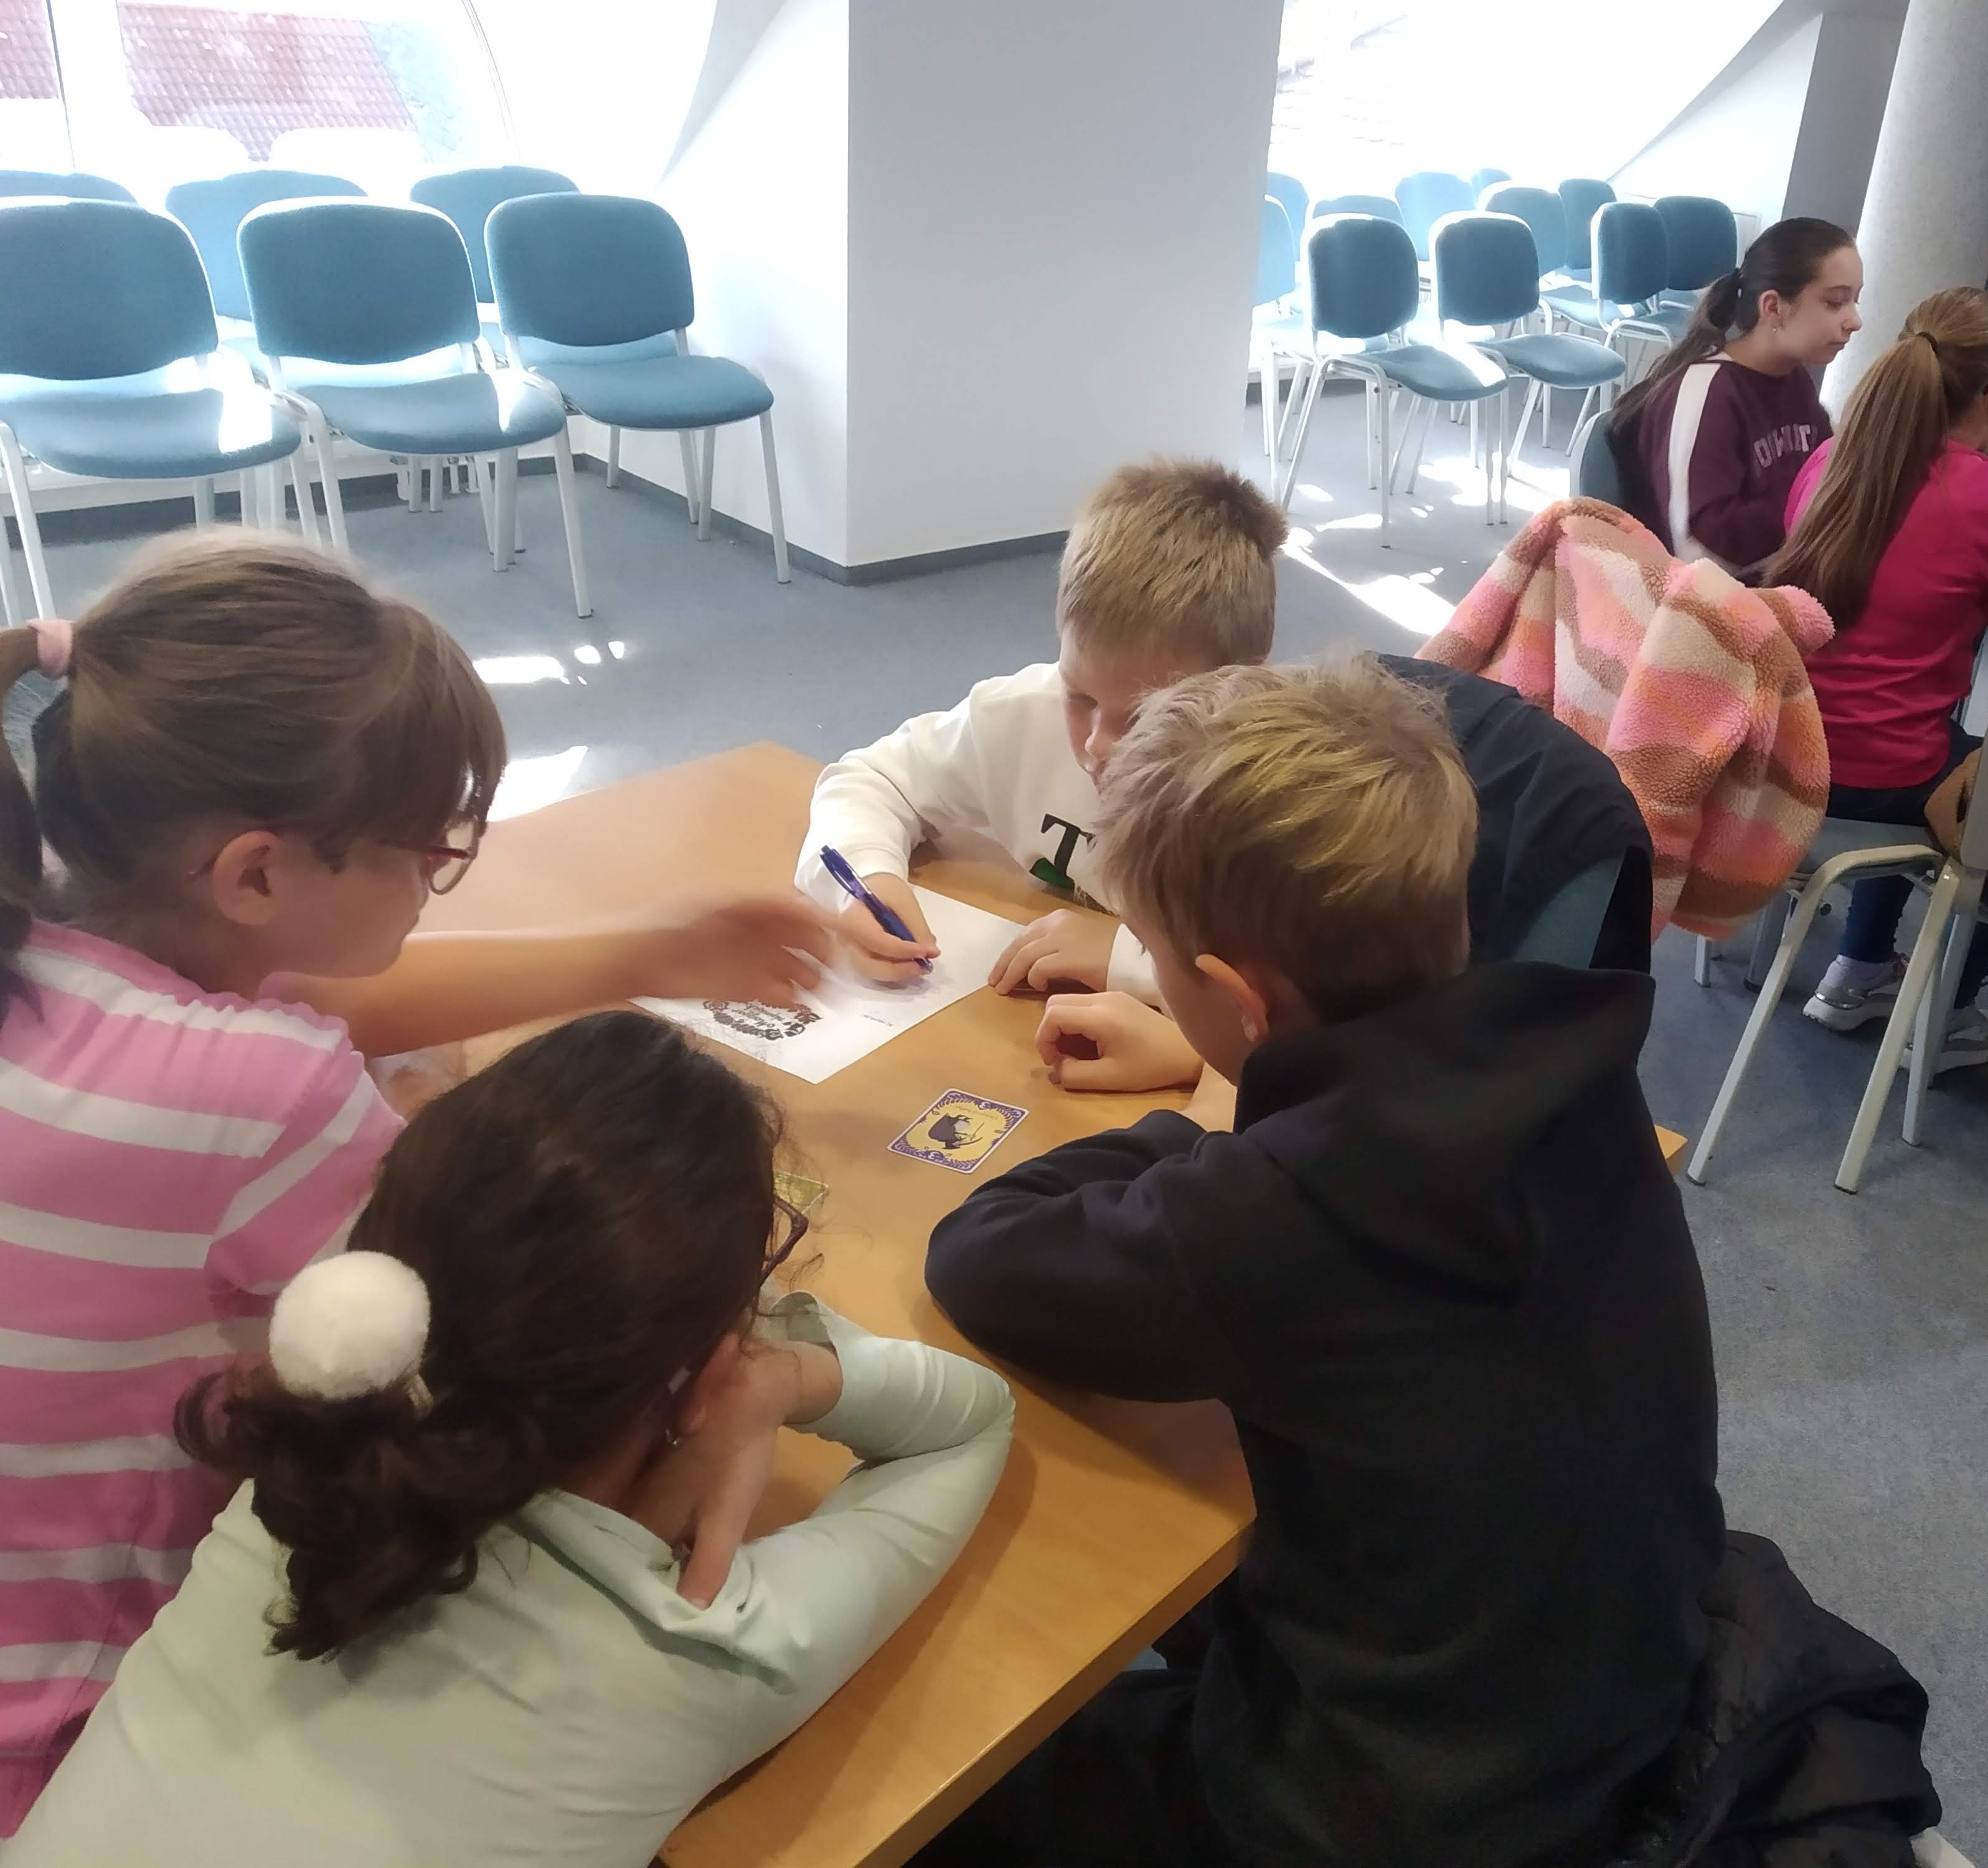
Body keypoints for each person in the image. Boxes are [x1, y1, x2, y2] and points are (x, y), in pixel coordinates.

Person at [0, 535, 836, 1834]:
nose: (439, 876)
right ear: (257, 871)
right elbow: (512, 1265)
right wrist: (421, 1104)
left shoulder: (48, 923)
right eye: (427, 849)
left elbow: (304, 994)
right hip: (67, 1738)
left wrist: (647, 951)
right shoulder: (267, 1095)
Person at [915, 659, 1723, 1868]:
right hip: (1610, 1711)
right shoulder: (1572, 1063)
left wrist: (1197, 1120)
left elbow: (979, 1254)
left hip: (1381, 1819)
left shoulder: (1280, 1212)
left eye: (1152, 952)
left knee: (931, 1792)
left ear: (1238, 998)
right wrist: (1244, 1093)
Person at [9, 1011, 1014, 1866]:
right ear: (708, 1371)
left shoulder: (295, 1490)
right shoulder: (694, 1644)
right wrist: (781, 1379)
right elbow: (971, 1422)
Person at [795, 456, 1288, 1087]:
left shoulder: (1282, 793)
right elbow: (870, 780)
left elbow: (1318, 1003)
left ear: (1246, 688)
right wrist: (865, 881)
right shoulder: (1022, 716)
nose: (1099, 745)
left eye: (1146, 715)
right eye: (1079, 696)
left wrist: (1125, 958)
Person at [1765, 287, 1988, 1069]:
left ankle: (1859, 968)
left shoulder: (1828, 461)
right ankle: (1946, 1014)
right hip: (1877, 776)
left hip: (1781, 758)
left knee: (1935, 741)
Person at [1609, 216, 1861, 573]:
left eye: (1855, 301)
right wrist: (1813, 513)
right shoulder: (1709, 394)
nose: (1855, 321)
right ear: (1773, 307)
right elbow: (1698, 554)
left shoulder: (1794, 381)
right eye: (1836, 302)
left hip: (1785, 574)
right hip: (1713, 596)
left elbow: (1827, 478)